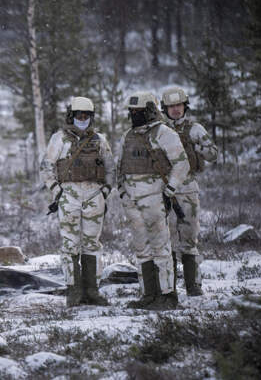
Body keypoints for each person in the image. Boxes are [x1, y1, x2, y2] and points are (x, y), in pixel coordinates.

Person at [117, 91, 189, 310]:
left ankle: (167, 295)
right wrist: (122, 192)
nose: (134, 115)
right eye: (132, 112)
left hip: (155, 200)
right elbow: (120, 166)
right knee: (142, 249)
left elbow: (182, 163)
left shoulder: (163, 133)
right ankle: (148, 294)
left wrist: (169, 190)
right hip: (132, 202)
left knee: (161, 247)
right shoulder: (127, 136)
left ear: (149, 110)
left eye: (139, 111)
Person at [40, 97, 115, 307]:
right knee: (69, 244)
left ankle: (92, 290)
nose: (82, 119)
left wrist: (105, 192)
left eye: (86, 116)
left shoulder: (100, 140)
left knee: (92, 244)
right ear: (71, 116)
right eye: (78, 115)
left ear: (91, 117)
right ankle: (73, 291)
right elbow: (46, 167)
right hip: (69, 196)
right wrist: (57, 191)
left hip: (94, 196)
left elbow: (111, 168)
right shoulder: (59, 139)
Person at [161, 87, 218, 296]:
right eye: (171, 106)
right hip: (164, 189)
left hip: (187, 189)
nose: (175, 110)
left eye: (179, 105)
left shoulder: (195, 129)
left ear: (185, 106)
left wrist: (195, 148)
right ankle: (168, 287)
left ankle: (193, 285)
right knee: (164, 240)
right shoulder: (159, 130)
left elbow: (213, 154)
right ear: (164, 109)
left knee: (189, 237)